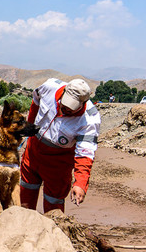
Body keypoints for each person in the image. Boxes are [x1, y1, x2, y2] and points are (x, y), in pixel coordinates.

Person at [20, 78, 100, 213]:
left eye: (71, 109)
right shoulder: (49, 87)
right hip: (33, 152)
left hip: (58, 165)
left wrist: (80, 183)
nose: (65, 110)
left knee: (53, 206)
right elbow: (35, 104)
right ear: (63, 92)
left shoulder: (90, 120)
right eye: (64, 105)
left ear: (83, 104)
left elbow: (85, 155)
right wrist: (28, 129)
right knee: (25, 197)